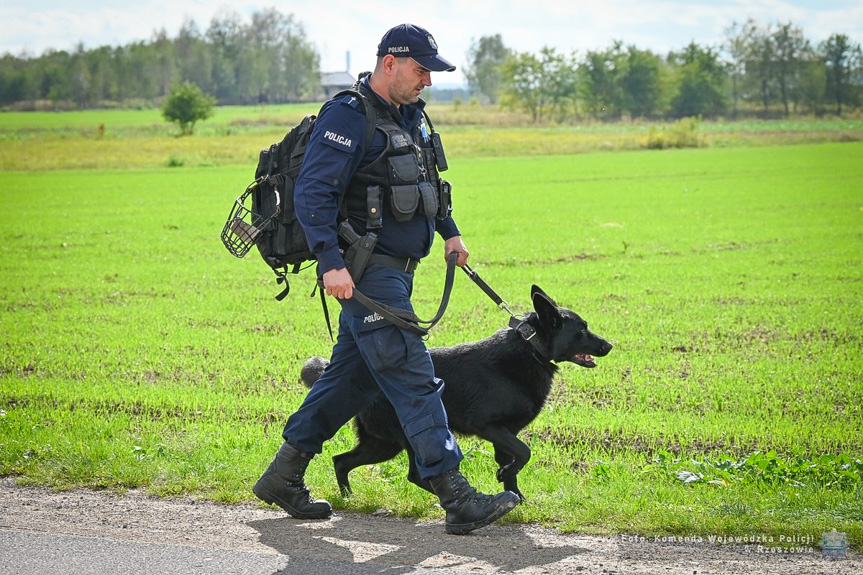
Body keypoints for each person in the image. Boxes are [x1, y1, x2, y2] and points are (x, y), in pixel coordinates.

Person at [253, 23, 520, 535]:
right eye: (421, 70)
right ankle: (456, 495)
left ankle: (282, 476)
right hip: (366, 271)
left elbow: (426, 183)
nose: (428, 81)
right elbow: (313, 193)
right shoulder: (348, 116)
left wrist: (450, 231)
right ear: (390, 63)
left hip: (400, 269)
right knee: (412, 375)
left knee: (348, 382)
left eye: (431, 73)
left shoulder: (410, 116)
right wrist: (330, 261)